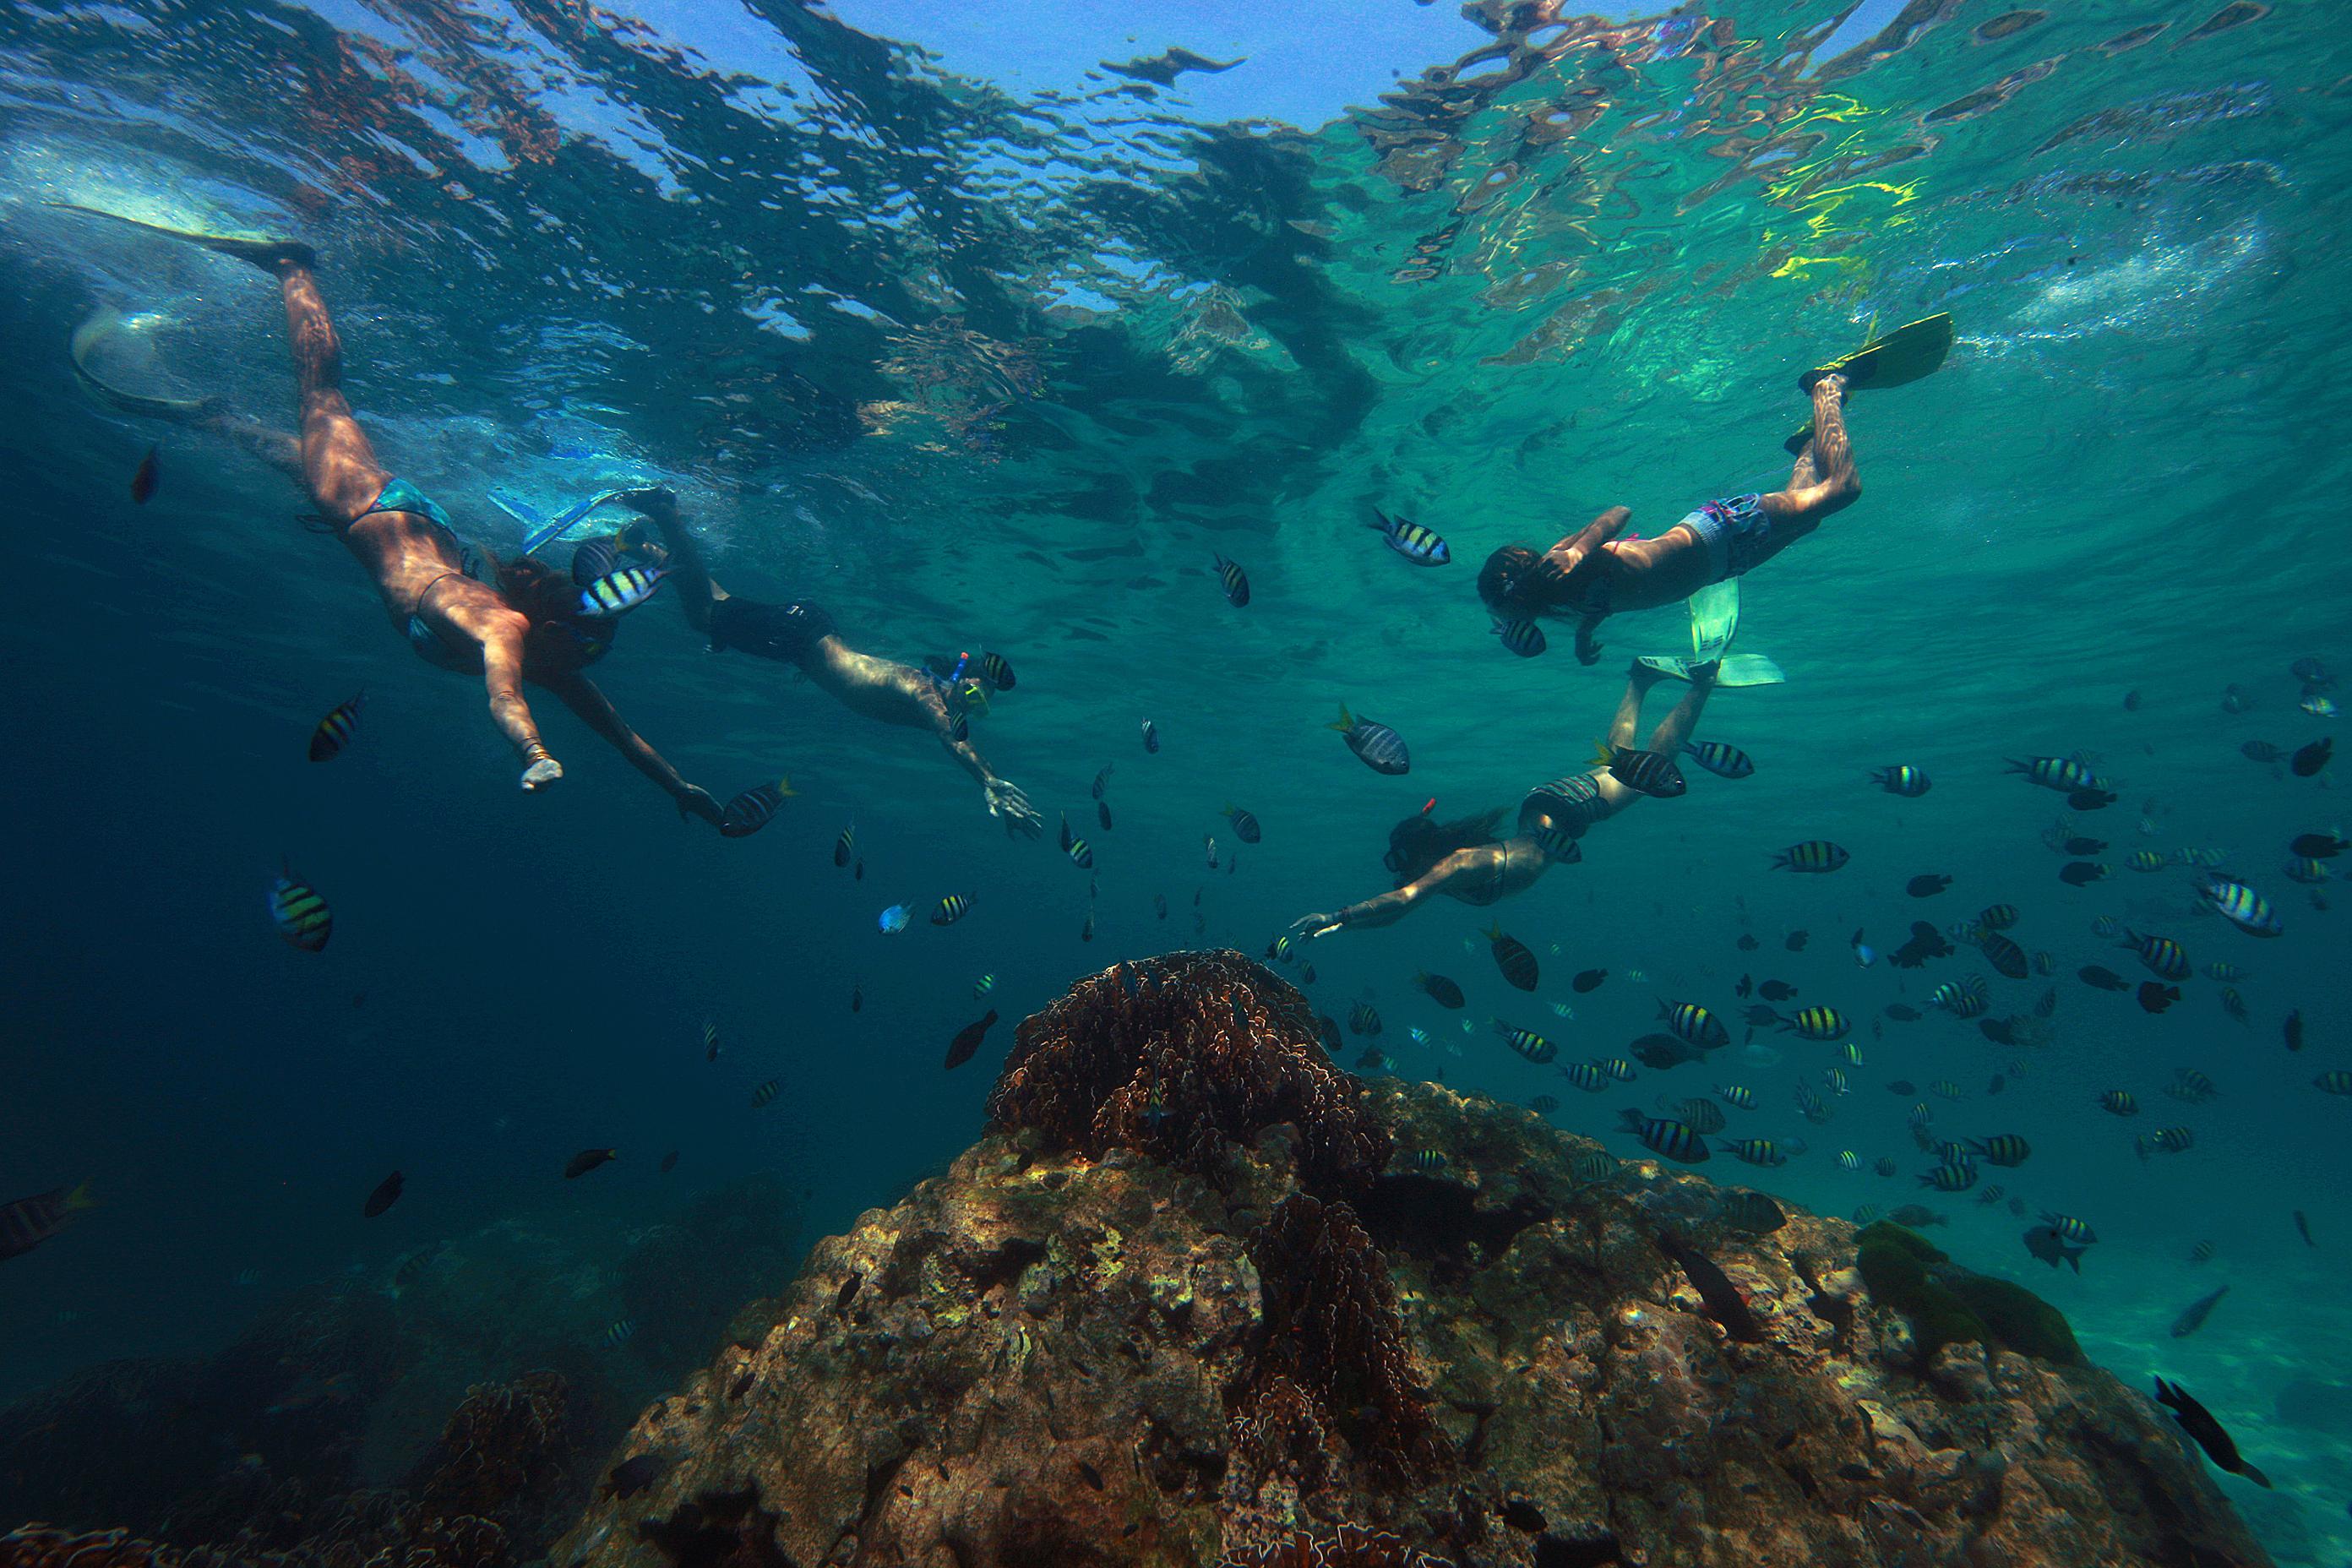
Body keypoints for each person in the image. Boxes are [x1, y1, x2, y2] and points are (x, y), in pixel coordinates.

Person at [57, 208, 721, 821]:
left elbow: (621, 735)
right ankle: (293, 267)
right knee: (322, 397)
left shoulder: (550, 663)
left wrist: (678, 789)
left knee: (303, 455)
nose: (584, 657)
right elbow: (504, 700)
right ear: (545, 624)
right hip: (365, 508)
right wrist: (534, 754)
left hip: (403, 520)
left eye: (588, 648)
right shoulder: (498, 625)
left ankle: (218, 419)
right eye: (584, 643)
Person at [614, 486, 1043, 837]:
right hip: (799, 637)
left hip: (807, 635)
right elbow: (954, 739)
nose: (971, 705)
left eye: (980, 705)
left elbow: (947, 733)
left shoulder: (931, 703)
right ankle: (665, 512)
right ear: (956, 679)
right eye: (971, 692)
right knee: (702, 616)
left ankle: (647, 551)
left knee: (717, 602)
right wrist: (987, 779)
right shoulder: (924, 692)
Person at [1286, 661, 1714, 939]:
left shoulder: (1457, 865)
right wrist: (1341, 926)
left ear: (1416, 853)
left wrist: (1335, 914)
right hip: (1547, 812)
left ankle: (1701, 685)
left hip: (1557, 814)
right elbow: (1398, 910)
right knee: (1616, 769)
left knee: (1647, 775)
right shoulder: (1451, 871)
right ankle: (1639, 681)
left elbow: (1405, 899)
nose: (1399, 873)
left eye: (1398, 861)